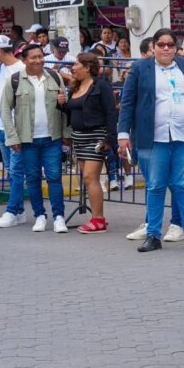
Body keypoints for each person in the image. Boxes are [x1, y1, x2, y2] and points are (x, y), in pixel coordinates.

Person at [117, 28, 184, 253]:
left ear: (176, 47)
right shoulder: (140, 68)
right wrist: (123, 134)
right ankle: (153, 236)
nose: (165, 48)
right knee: (155, 186)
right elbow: (128, 102)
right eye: (161, 44)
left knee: (183, 185)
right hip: (153, 136)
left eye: (170, 44)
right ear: (153, 47)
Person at [0, 44, 69, 233]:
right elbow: (5, 109)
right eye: (33, 57)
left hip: (52, 138)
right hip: (27, 140)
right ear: (24, 60)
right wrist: (12, 137)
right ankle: (40, 215)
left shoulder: (54, 77)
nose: (38, 60)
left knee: (55, 177)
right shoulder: (14, 80)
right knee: (32, 178)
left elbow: (65, 108)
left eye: (40, 56)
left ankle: (59, 217)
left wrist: (66, 133)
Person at [56, 52, 118, 234]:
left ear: (87, 67)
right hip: (79, 137)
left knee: (91, 177)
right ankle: (97, 218)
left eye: (76, 65)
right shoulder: (75, 86)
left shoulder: (102, 86)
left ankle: (98, 220)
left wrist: (109, 139)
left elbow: (110, 113)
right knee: (87, 178)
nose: (73, 68)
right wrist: (61, 104)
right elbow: (72, 111)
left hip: (96, 136)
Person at [0, 35, 32, 228]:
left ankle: (12, 210)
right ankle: (19, 212)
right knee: (11, 171)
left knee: (15, 171)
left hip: (16, 129)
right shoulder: (4, 68)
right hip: (2, 127)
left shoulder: (22, 69)